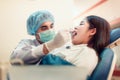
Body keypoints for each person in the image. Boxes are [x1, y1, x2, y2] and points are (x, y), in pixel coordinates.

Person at [41, 15, 110, 76]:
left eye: (81, 24)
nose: (75, 27)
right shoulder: (71, 46)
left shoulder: (88, 54)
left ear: (92, 31)